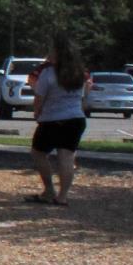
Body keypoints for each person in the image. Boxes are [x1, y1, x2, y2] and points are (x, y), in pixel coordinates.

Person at [27, 35, 88, 205]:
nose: (49, 53)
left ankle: (49, 190)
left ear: (58, 53)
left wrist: (37, 113)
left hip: (53, 119)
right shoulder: (79, 73)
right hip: (76, 119)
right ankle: (62, 196)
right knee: (66, 157)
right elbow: (81, 97)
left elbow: (39, 97)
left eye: (52, 50)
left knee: (38, 153)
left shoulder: (47, 73)